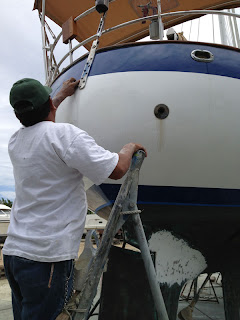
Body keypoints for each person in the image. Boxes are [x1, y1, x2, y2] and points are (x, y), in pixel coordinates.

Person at [3, 77, 147, 320]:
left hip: (15, 254)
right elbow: (116, 170)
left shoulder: (16, 141)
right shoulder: (64, 135)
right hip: (46, 258)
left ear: (18, 116)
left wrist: (60, 95)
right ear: (48, 103)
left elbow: (39, 123)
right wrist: (129, 147)